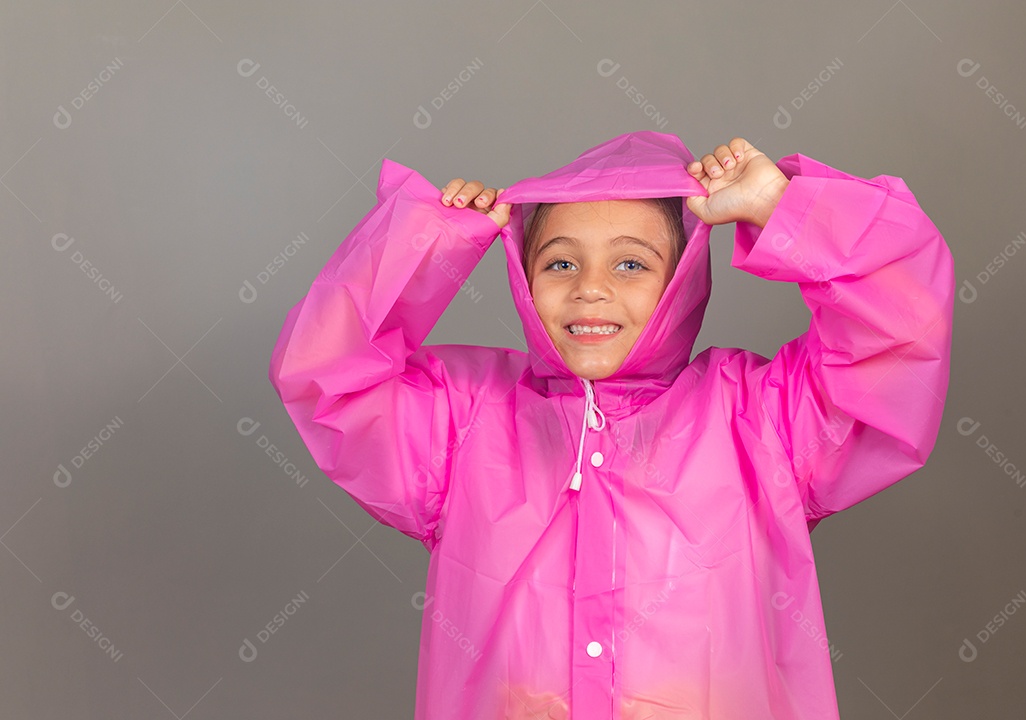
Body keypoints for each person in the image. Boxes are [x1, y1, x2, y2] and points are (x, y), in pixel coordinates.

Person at [268, 131, 953, 720]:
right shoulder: (460, 421)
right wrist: (424, 242)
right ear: (523, 278)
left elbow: (902, 329)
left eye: (631, 264)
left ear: (680, 280)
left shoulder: (763, 420)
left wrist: (784, 208)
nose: (590, 288)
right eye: (560, 262)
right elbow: (324, 370)